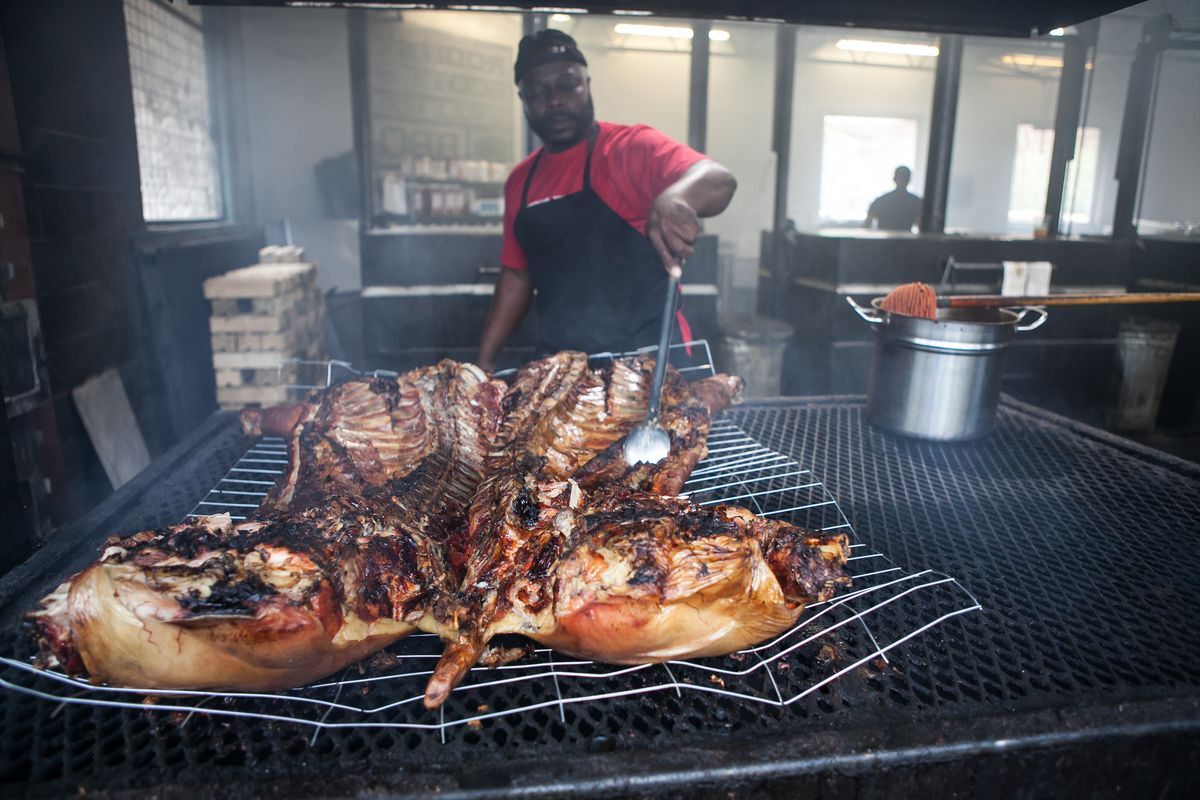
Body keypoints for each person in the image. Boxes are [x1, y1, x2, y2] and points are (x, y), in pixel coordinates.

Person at [476, 29, 737, 371]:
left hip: (652, 366)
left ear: (587, 83)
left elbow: (719, 180)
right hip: (564, 373)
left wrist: (676, 196)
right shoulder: (520, 182)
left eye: (567, 85)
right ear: (524, 100)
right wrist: (484, 360)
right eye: (537, 92)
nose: (554, 100)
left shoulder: (629, 147)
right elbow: (517, 276)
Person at [866, 166, 922, 232]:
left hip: (883, 241)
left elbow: (866, 226)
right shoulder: (916, 202)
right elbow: (922, 229)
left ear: (894, 179)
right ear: (909, 180)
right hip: (905, 241)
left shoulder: (880, 201)